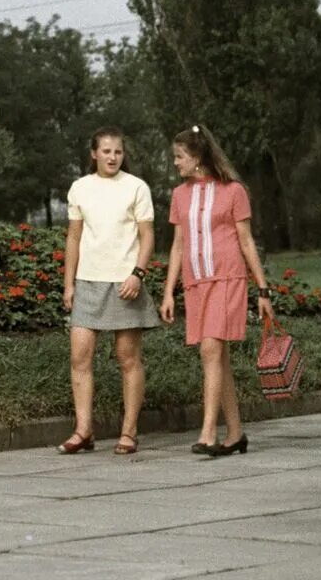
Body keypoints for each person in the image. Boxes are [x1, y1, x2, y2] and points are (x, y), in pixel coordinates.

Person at [160, 123, 275, 455]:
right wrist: (169, 291)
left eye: (179, 156)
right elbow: (178, 247)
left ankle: (208, 431)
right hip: (196, 284)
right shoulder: (179, 195)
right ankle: (236, 433)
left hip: (227, 278)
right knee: (217, 357)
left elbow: (246, 242)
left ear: (197, 157)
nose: (176, 163)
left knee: (210, 350)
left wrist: (263, 290)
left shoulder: (233, 191)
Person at [59, 127, 156, 455]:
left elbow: (147, 236)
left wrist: (137, 274)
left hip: (124, 283)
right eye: (106, 151)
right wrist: (69, 283)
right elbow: (73, 237)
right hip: (88, 282)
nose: (113, 157)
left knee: (128, 358)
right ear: (94, 154)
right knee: (79, 357)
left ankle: (129, 433)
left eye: (118, 151)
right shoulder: (80, 188)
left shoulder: (136, 187)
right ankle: (83, 431)